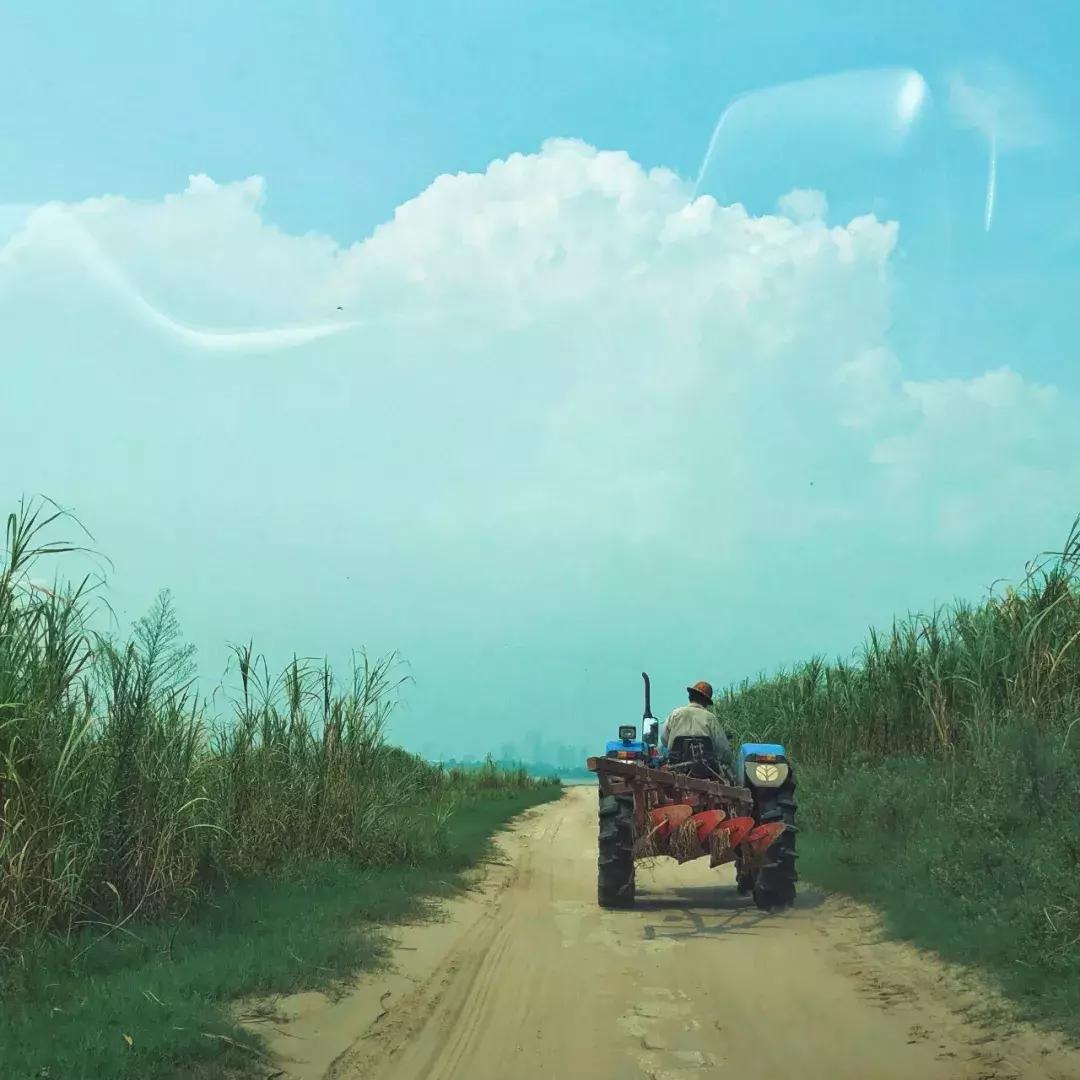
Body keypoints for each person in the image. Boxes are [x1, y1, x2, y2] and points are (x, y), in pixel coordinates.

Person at [661, 680, 734, 771]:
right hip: (706, 770)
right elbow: (724, 751)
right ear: (706, 702)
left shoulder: (675, 714)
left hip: (676, 768)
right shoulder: (711, 718)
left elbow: (664, 740)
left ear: (690, 696)